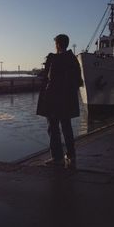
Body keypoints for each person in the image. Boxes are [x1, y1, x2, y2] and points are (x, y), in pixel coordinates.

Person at [36, 34, 83, 169]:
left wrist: (46, 97)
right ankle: (71, 155)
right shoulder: (73, 60)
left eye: (55, 43)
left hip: (54, 101)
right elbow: (78, 81)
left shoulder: (56, 60)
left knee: (53, 128)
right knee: (67, 127)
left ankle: (57, 158)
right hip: (67, 101)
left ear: (58, 44)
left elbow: (50, 80)